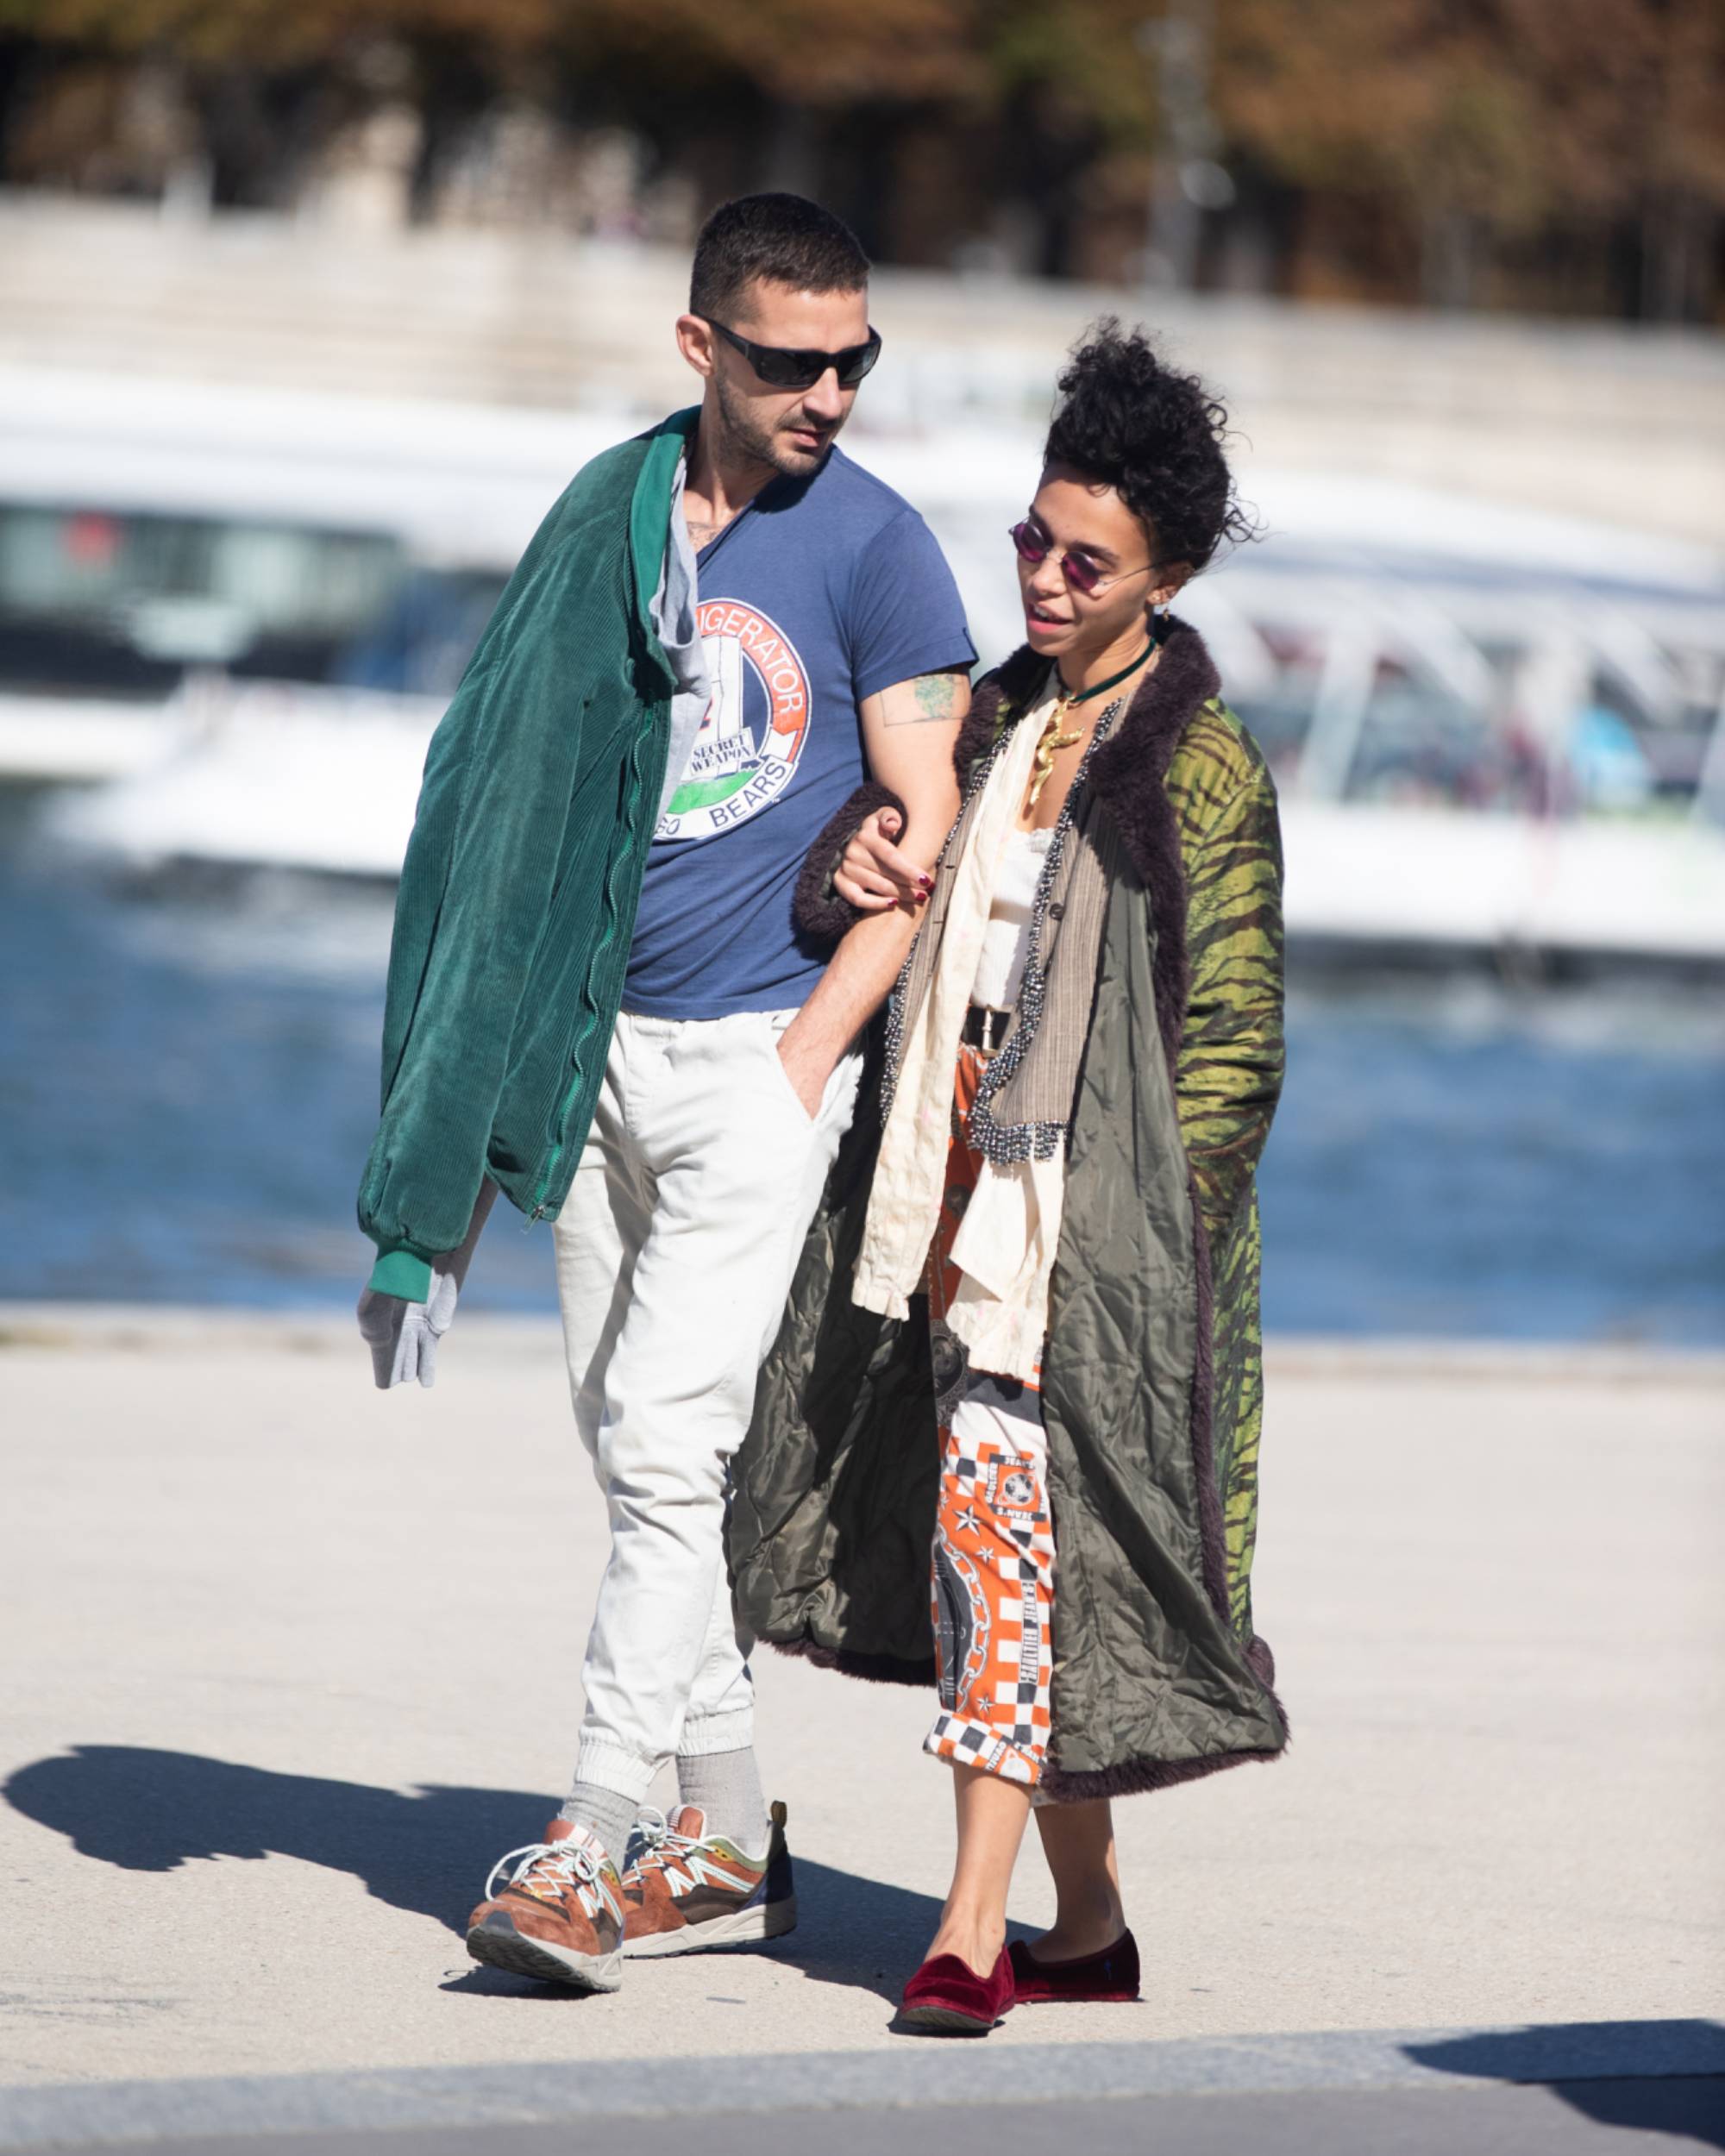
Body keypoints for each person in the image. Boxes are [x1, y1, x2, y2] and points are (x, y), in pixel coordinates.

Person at [353, 193, 975, 1994]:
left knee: (667, 1437)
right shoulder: (604, 520)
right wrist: (455, 1118)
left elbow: (918, 828)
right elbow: (496, 795)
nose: (832, 394)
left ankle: (592, 1835)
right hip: (584, 1056)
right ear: (701, 347)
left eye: (857, 358)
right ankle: (728, 1835)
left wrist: (807, 1057)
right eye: (793, 360)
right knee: (633, 1457)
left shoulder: (877, 548)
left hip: (753, 1066)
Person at [730, 319, 1289, 2034]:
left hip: (1086, 1246)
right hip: (939, 1198)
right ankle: (1085, 1920)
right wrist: (852, 855)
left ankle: (970, 1929)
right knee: (1026, 1569)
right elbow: (869, 898)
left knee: (1000, 1550)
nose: (1043, 575)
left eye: (1085, 558)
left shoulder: (1199, 767)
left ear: (1167, 573)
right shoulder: (990, 711)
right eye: (1031, 541)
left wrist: (1128, 1241)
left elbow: (1233, 1057)